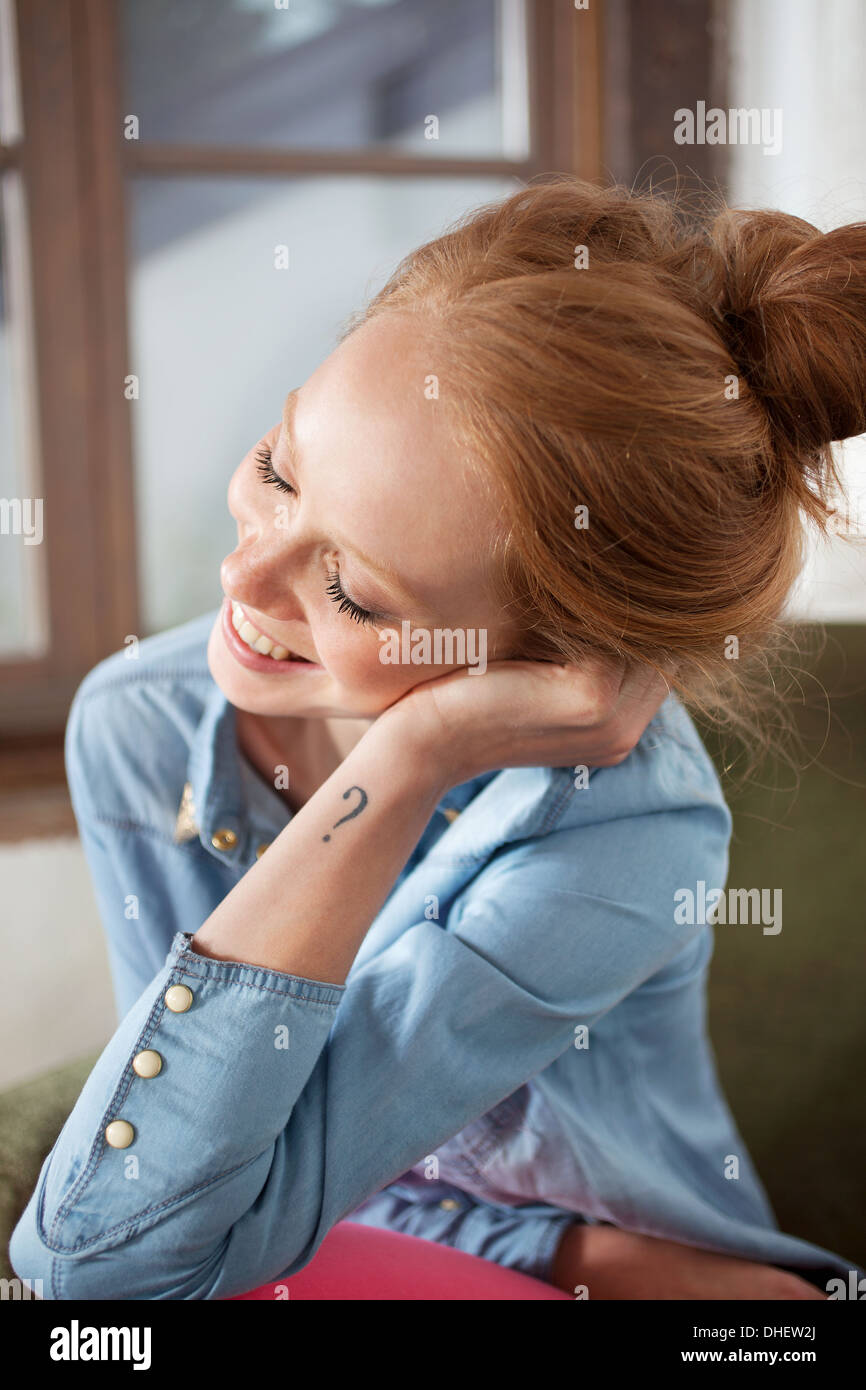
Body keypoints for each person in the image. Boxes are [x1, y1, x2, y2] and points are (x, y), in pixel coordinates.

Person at [11, 177, 865, 1300]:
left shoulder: (626, 833)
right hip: (306, 1248)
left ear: (551, 655)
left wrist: (408, 760)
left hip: (611, 1270)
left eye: (355, 597)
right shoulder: (144, 723)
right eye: (278, 468)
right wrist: (402, 742)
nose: (241, 575)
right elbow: (138, 1220)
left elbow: (113, 1265)